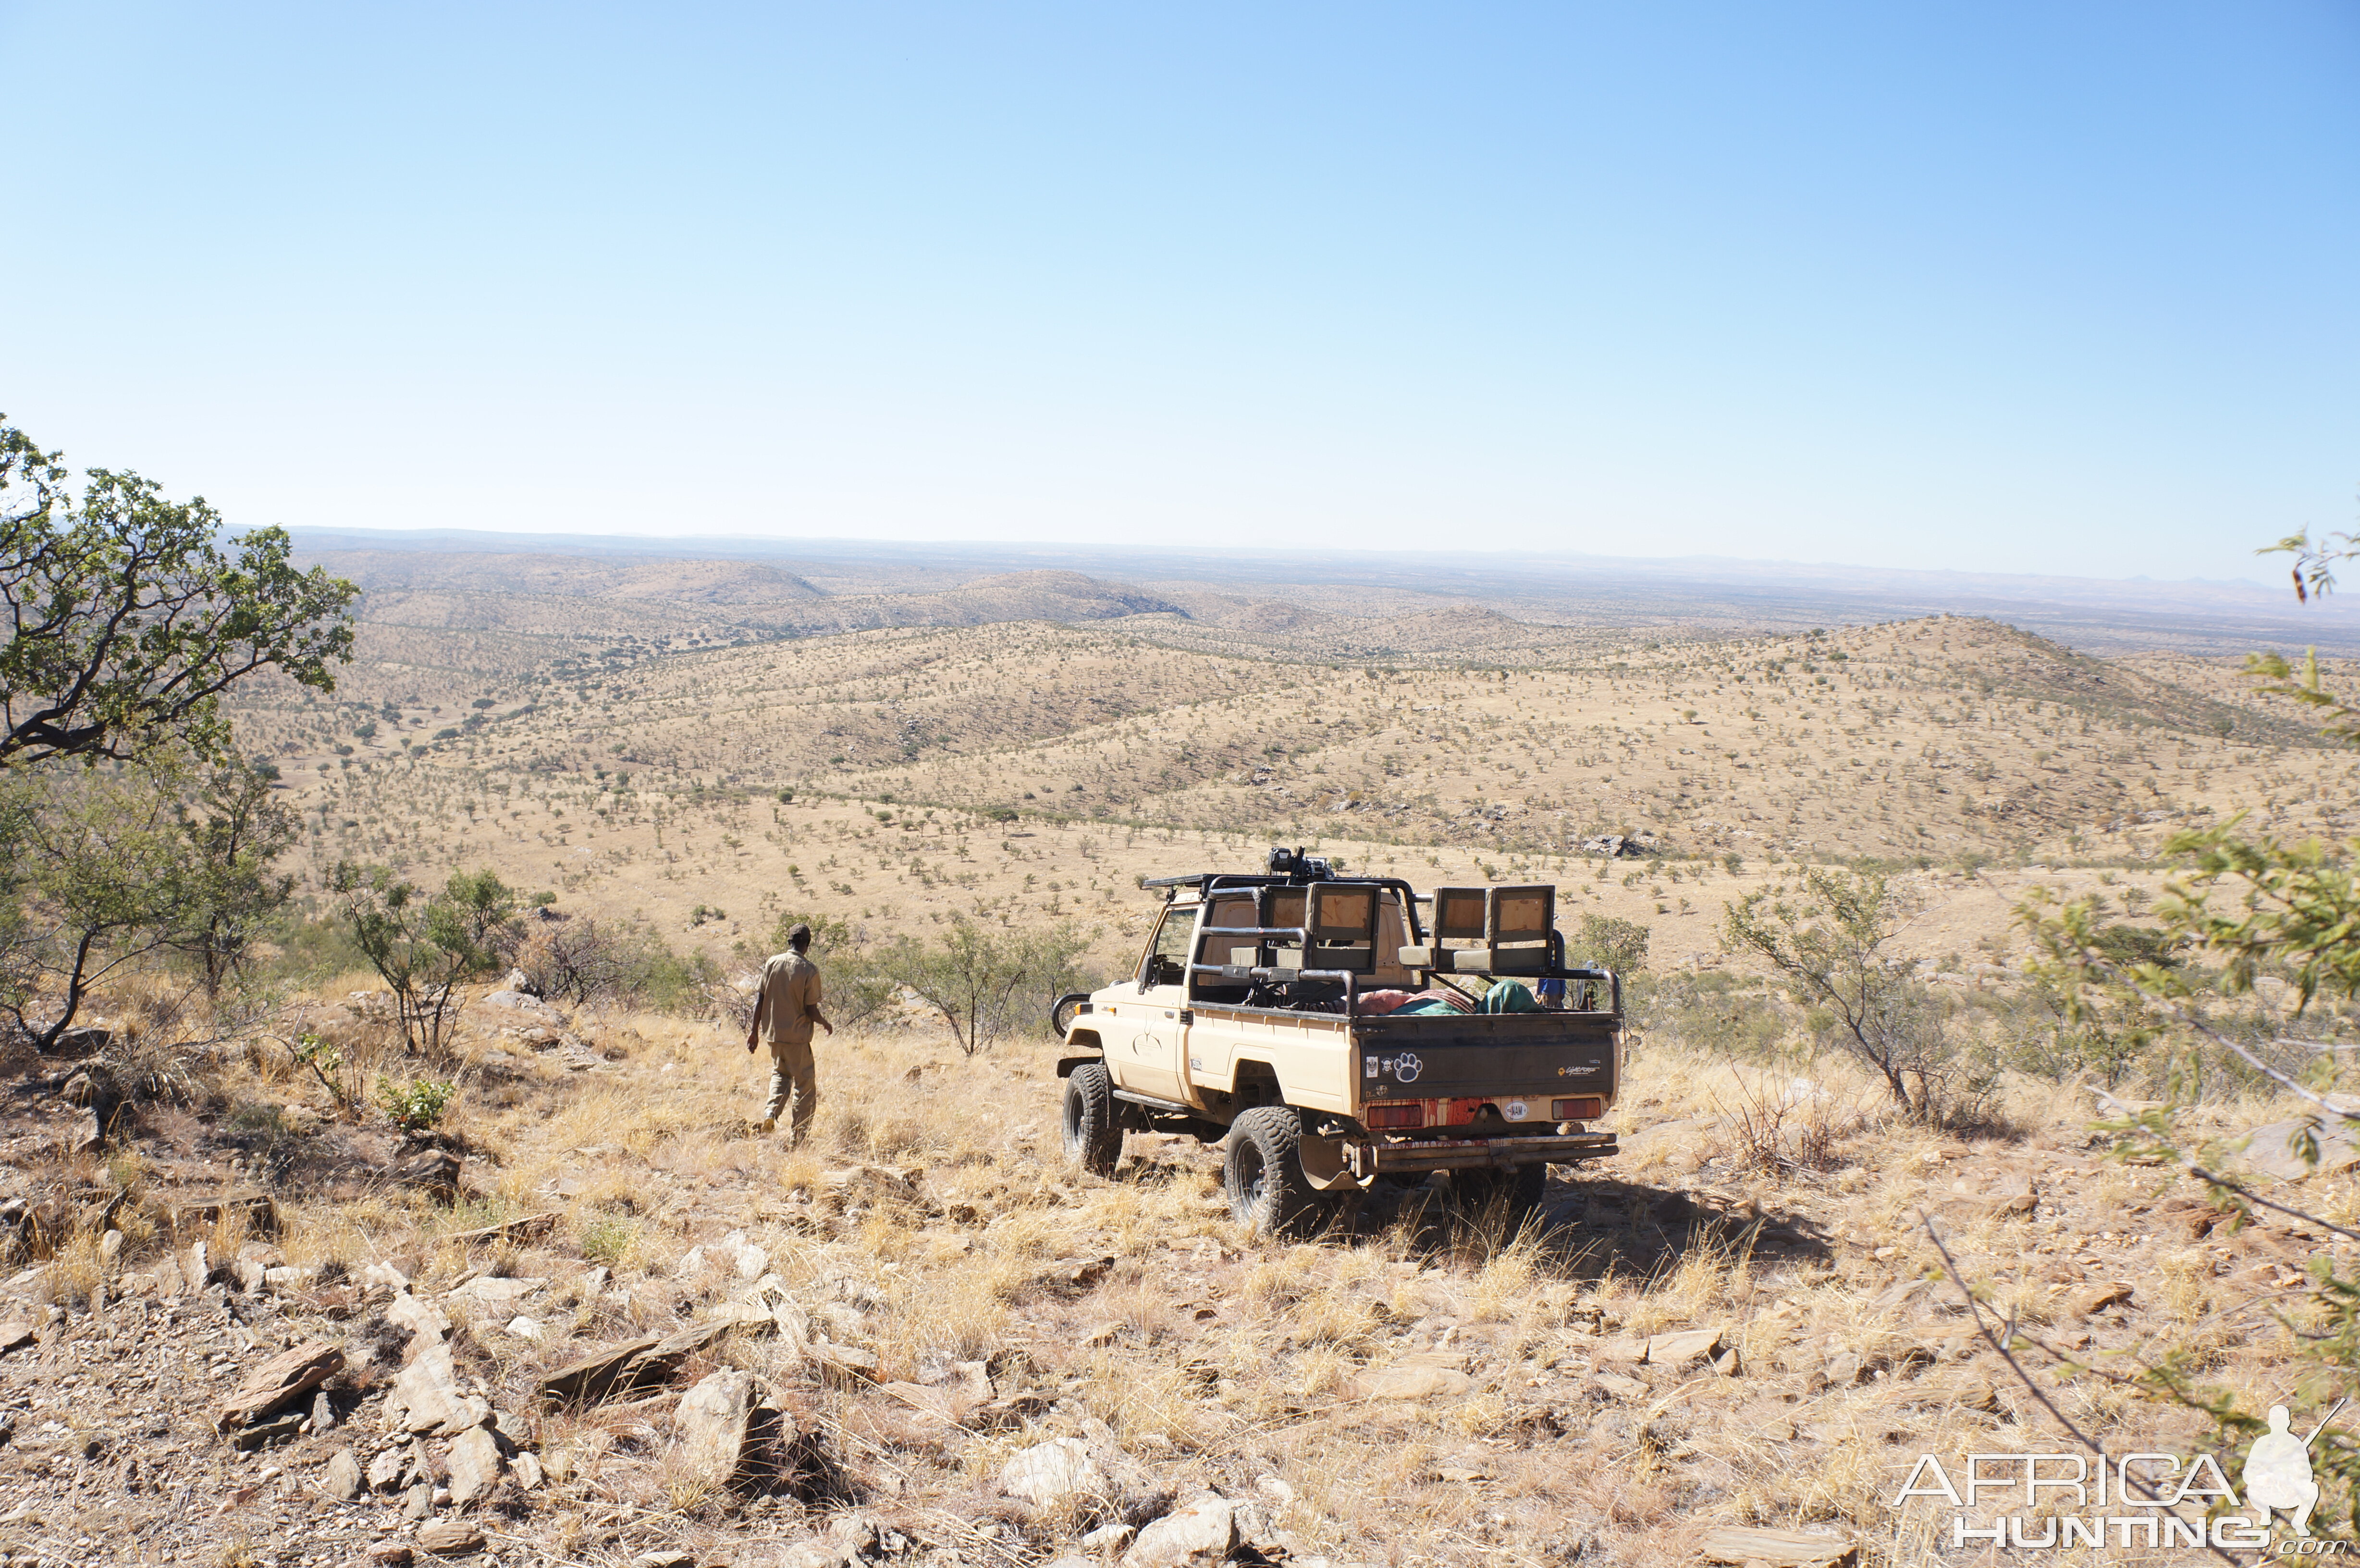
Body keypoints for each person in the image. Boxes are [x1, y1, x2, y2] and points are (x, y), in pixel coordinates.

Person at [746, 923, 832, 1142]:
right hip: (797, 1038)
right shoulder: (809, 971)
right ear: (807, 945)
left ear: (789, 943)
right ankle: (800, 1137)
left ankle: (770, 1113)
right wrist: (825, 1023)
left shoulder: (772, 963)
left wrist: (754, 1032)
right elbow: (811, 1010)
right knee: (804, 1087)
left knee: (780, 1074)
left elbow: (760, 999)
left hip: (774, 1036)